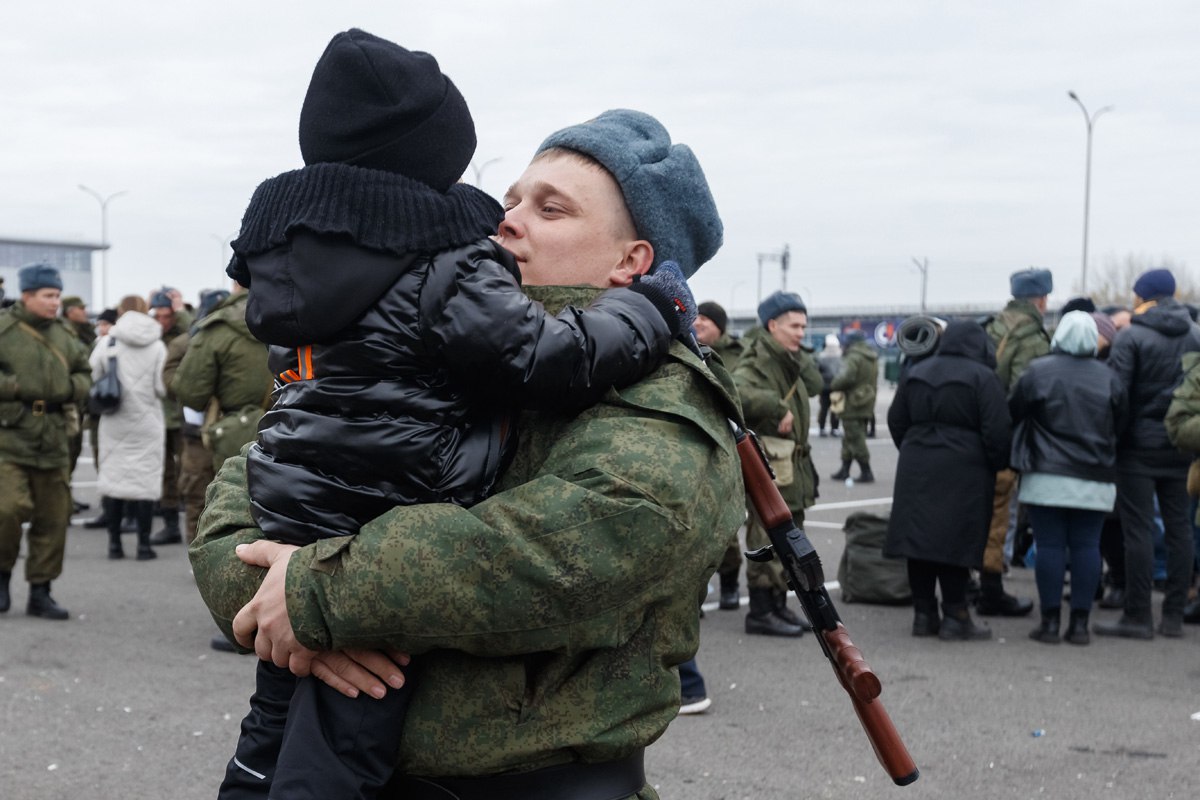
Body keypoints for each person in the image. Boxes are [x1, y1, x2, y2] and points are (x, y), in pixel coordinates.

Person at [191, 105, 739, 800]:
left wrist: (316, 592)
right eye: (510, 198)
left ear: (632, 260)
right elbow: (250, 488)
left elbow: (563, 552)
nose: (508, 218)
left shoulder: (660, 390)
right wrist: (282, 609)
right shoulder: (436, 336)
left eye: (552, 208)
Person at [884, 320, 1010, 640]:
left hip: (917, 465)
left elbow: (896, 420)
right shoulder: (983, 377)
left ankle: (923, 615)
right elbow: (998, 431)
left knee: (918, 542)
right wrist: (995, 464)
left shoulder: (917, 371)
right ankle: (956, 615)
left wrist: (915, 448)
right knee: (956, 541)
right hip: (965, 468)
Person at [1008, 311, 1127, 644]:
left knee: (1049, 546)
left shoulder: (1037, 372)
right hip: (1095, 475)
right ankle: (1079, 625)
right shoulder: (1109, 377)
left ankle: (1048, 624)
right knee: (1087, 546)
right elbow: (1122, 424)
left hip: (1045, 475)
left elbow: (1013, 411)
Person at [1096, 268, 1200, 639]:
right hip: (1180, 447)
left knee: (1136, 530)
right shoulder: (1196, 335)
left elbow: (1118, 397)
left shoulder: (1132, 337)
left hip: (1137, 449)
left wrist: (1117, 439)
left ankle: (1138, 615)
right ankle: (1173, 615)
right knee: (1179, 531)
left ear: (1144, 297)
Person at [0, 264, 92, 620]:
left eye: (57, 295)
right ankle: (2, 578)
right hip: (10, 435)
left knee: (53, 518)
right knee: (7, 510)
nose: (55, 302)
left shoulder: (65, 334)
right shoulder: (5, 330)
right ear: (27, 296)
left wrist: (70, 389)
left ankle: (41, 591)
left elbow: (85, 371)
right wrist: (18, 388)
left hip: (53, 436)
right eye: (48, 295)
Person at [732, 291, 822, 637]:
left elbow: (815, 385)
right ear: (772, 326)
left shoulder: (788, 360)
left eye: (804, 325)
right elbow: (737, 391)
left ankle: (780, 606)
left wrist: (799, 356)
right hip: (769, 467)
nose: (801, 332)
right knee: (765, 537)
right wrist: (774, 405)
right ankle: (760, 611)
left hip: (793, 467)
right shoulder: (758, 361)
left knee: (790, 541)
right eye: (794, 326)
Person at [979, 268, 1052, 617]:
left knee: (974, 510)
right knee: (999, 515)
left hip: (974, 434)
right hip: (1005, 439)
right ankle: (991, 587)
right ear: (1041, 300)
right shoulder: (1033, 337)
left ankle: (969, 583)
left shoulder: (990, 326)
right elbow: (1029, 390)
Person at [92, 295, 167, 561]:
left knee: (114, 481)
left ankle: (114, 545)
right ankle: (144, 546)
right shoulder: (158, 345)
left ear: (121, 311)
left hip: (115, 419)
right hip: (148, 422)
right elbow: (162, 386)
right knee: (145, 483)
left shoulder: (107, 341)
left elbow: (94, 375)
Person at [693, 300, 744, 610]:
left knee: (726, 525)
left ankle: (729, 585)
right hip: (697, 442)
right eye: (695, 316)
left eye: (705, 319)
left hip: (730, 445)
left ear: (720, 327)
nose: (698, 323)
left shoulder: (737, 358)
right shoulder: (685, 349)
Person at [147, 291, 187, 545]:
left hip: (182, 413)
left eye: (167, 315)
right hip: (159, 413)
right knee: (164, 473)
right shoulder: (151, 335)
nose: (163, 321)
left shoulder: (185, 336)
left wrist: (181, 310)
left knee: (188, 470)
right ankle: (170, 523)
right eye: (157, 315)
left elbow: (197, 329)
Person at [830, 330, 878, 483]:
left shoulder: (853, 357)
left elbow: (845, 377)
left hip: (852, 402)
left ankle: (866, 471)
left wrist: (834, 384)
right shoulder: (870, 356)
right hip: (866, 400)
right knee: (850, 436)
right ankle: (845, 469)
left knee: (855, 438)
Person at [816, 333, 842, 438]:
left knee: (824, 409)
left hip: (824, 387)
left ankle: (822, 428)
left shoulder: (821, 356)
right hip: (837, 387)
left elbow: (817, 372)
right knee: (836, 409)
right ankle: (834, 429)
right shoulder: (840, 356)